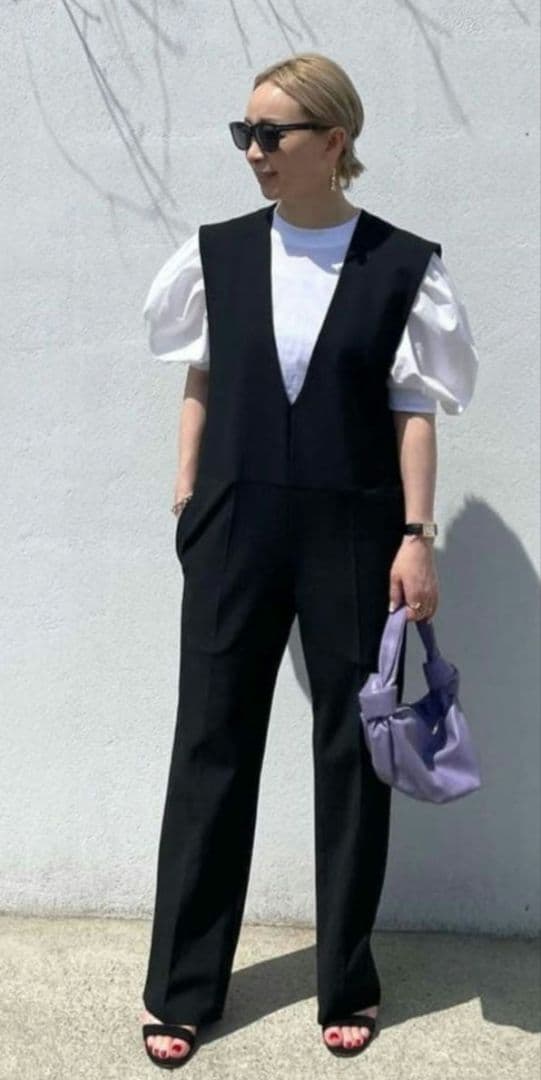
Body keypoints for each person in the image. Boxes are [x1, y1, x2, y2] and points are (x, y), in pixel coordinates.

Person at [139, 52, 479, 1068]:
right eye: (242, 132)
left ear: (333, 141)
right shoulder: (217, 252)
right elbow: (199, 377)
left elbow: (413, 410)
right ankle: (182, 988)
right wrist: (188, 492)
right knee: (209, 745)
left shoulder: (401, 263)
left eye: (270, 134)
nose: (252, 151)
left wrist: (415, 537)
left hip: (355, 531)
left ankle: (348, 981)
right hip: (234, 525)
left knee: (352, 751)